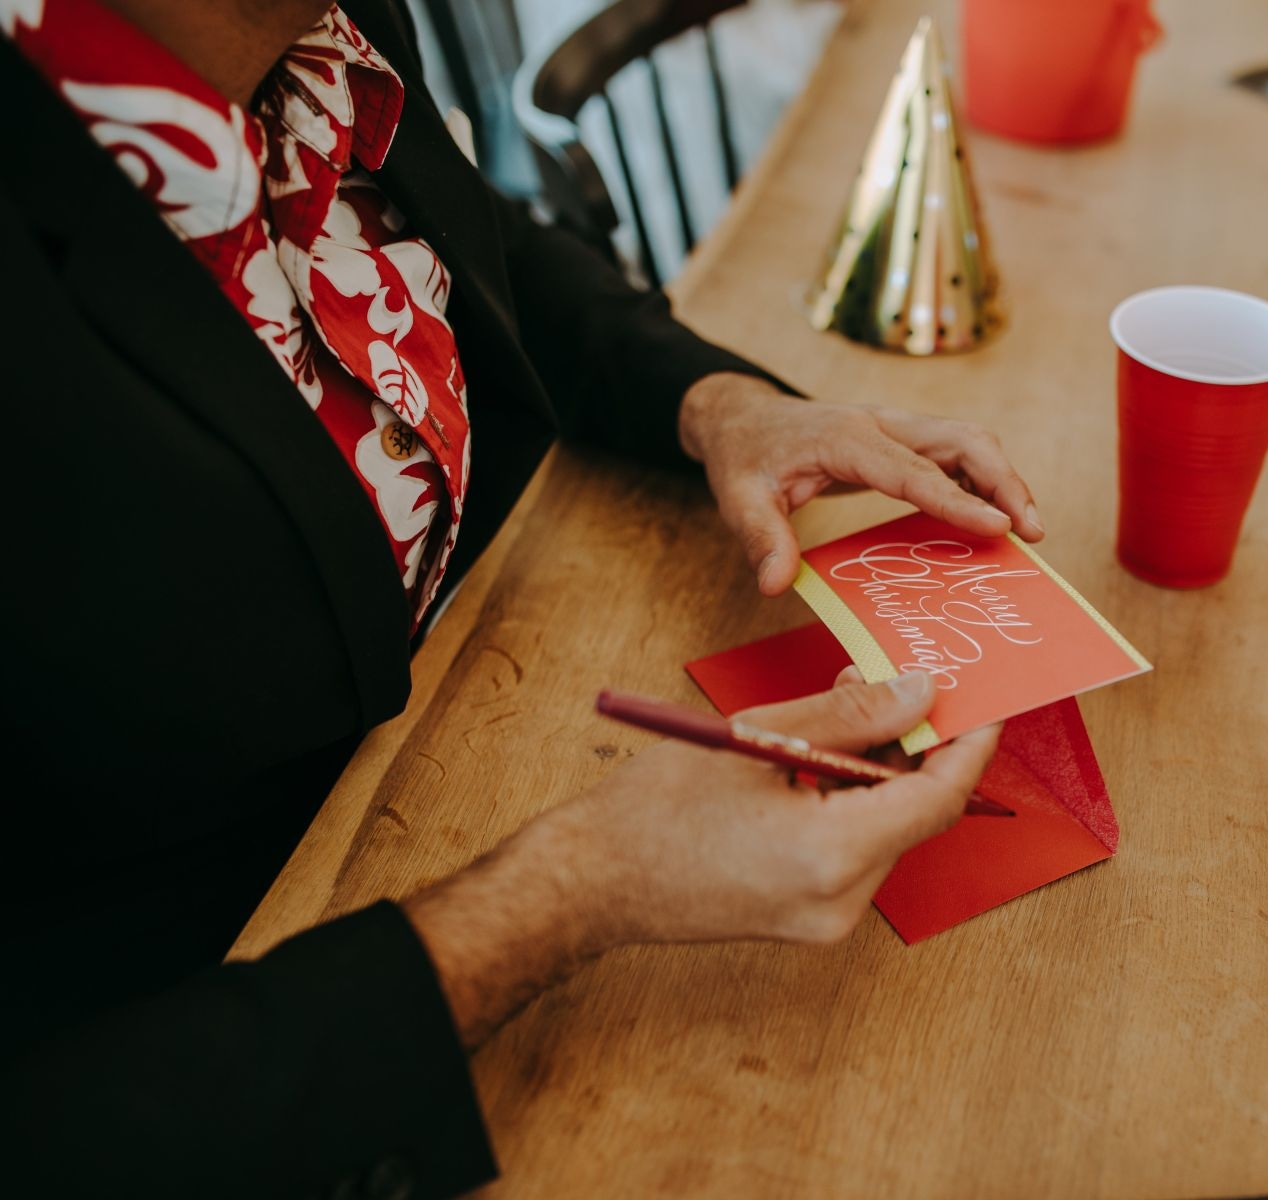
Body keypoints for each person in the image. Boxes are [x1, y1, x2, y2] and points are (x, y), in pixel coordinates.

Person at [0, 1, 1042, 1196]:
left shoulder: (309, 22)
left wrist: (712, 403)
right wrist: (575, 892)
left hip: (492, 703)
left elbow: (448, 233)